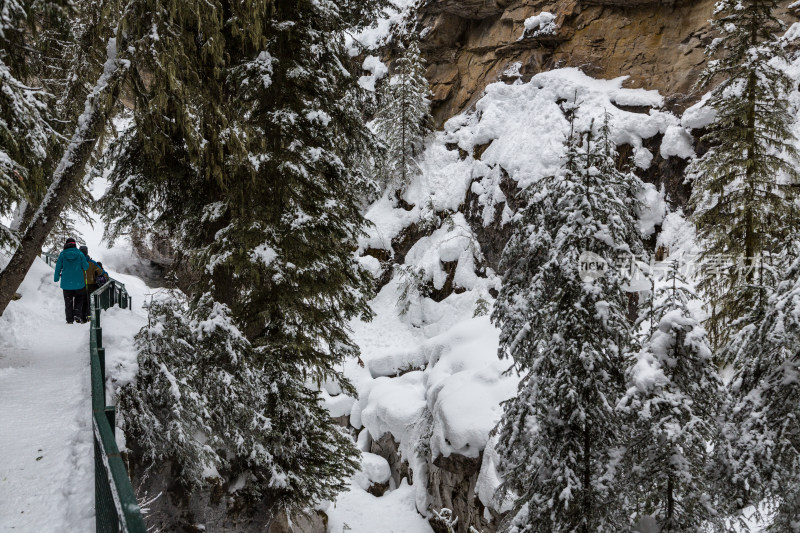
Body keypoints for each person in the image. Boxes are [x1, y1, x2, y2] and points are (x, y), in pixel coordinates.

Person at [54, 237, 89, 324]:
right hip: (79, 283)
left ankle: (69, 320)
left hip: (66, 284)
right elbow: (86, 267)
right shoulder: (80, 254)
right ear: (74, 244)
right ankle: (77, 314)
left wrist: (56, 278)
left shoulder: (62, 254)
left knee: (68, 302)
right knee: (79, 299)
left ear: (66, 244)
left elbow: (58, 267)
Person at [79, 245, 106, 322]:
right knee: (90, 301)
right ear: (87, 252)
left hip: (80, 285)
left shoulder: (77, 263)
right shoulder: (92, 263)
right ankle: (90, 316)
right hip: (92, 285)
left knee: (81, 300)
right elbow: (101, 272)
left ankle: (82, 317)